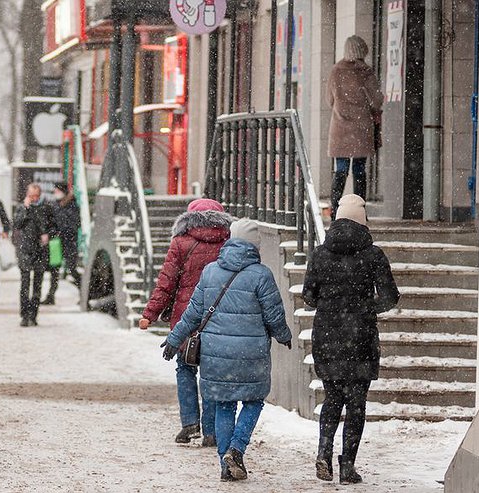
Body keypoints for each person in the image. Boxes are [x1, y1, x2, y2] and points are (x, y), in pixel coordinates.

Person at [162, 219, 292, 482]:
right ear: (255, 245)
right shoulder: (261, 274)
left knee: (224, 404)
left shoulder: (210, 272)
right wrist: (283, 335)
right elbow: (274, 314)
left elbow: (193, 313)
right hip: (251, 353)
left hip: (216, 353)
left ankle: (225, 461)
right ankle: (236, 448)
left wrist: (174, 340)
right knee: (253, 401)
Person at [302, 194, 399, 485]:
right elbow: (390, 297)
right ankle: (347, 466)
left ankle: (324, 452)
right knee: (356, 403)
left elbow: (308, 297)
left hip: (328, 335)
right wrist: (364, 307)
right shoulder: (373, 254)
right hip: (361, 336)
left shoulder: (320, 253)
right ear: (363, 219)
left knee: (332, 398)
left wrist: (331, 304)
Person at [139, 198, 231, 446]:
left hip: (186, 316)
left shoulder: (181, 243)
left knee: (185, 368)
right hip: (218, 316)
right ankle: (211, 431)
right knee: (211, 374)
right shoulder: (228, 244)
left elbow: (166, 282)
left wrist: (150, 313)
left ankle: (190, 423)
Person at [327, 35, 384, 220]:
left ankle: (336, 209)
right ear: (362, 50)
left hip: (340, 128)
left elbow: (329, 99)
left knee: (341, 169)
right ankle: (360, 211)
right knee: (359, 170)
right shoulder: (366, 71)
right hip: (361, 128)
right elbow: (377, 100)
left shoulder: (336, 70)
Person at [14, 183, 54, 326]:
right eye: (31, 196)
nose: (34, 198)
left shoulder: (46, 208)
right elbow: (17, 224)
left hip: (41, 250)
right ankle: (24, 315)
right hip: (25, 249)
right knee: (25, 284)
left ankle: (33, 315)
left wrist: (47, 235)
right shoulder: (22, 207)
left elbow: (54, 226)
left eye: (36, 196)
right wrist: (25, 208)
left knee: (37, 285)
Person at [43, 183, 82, 305]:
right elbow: (50, 222)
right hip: (56, 242)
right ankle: (50, 296)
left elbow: (74, 224)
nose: (55, 192)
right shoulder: (54, 205)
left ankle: (84, 294)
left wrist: (59, 230)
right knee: (54, 270)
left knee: (72, 269)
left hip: (69, 242)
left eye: (57, 190)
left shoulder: (72, 205)